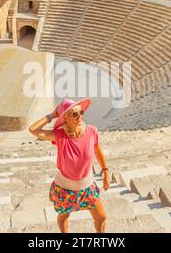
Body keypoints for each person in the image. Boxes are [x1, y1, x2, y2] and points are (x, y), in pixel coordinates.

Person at [28, 98, 110, 233]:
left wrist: (105, 171)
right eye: (74, 114)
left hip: (87, 188)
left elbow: (97, 150)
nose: (79, 117)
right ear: (65, 118)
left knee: (101, 218)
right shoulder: (59, 136)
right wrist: (52, 116)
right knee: (63, 217)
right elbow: (33, 130)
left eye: (80, 112)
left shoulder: (91, 131)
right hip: (65, 190)